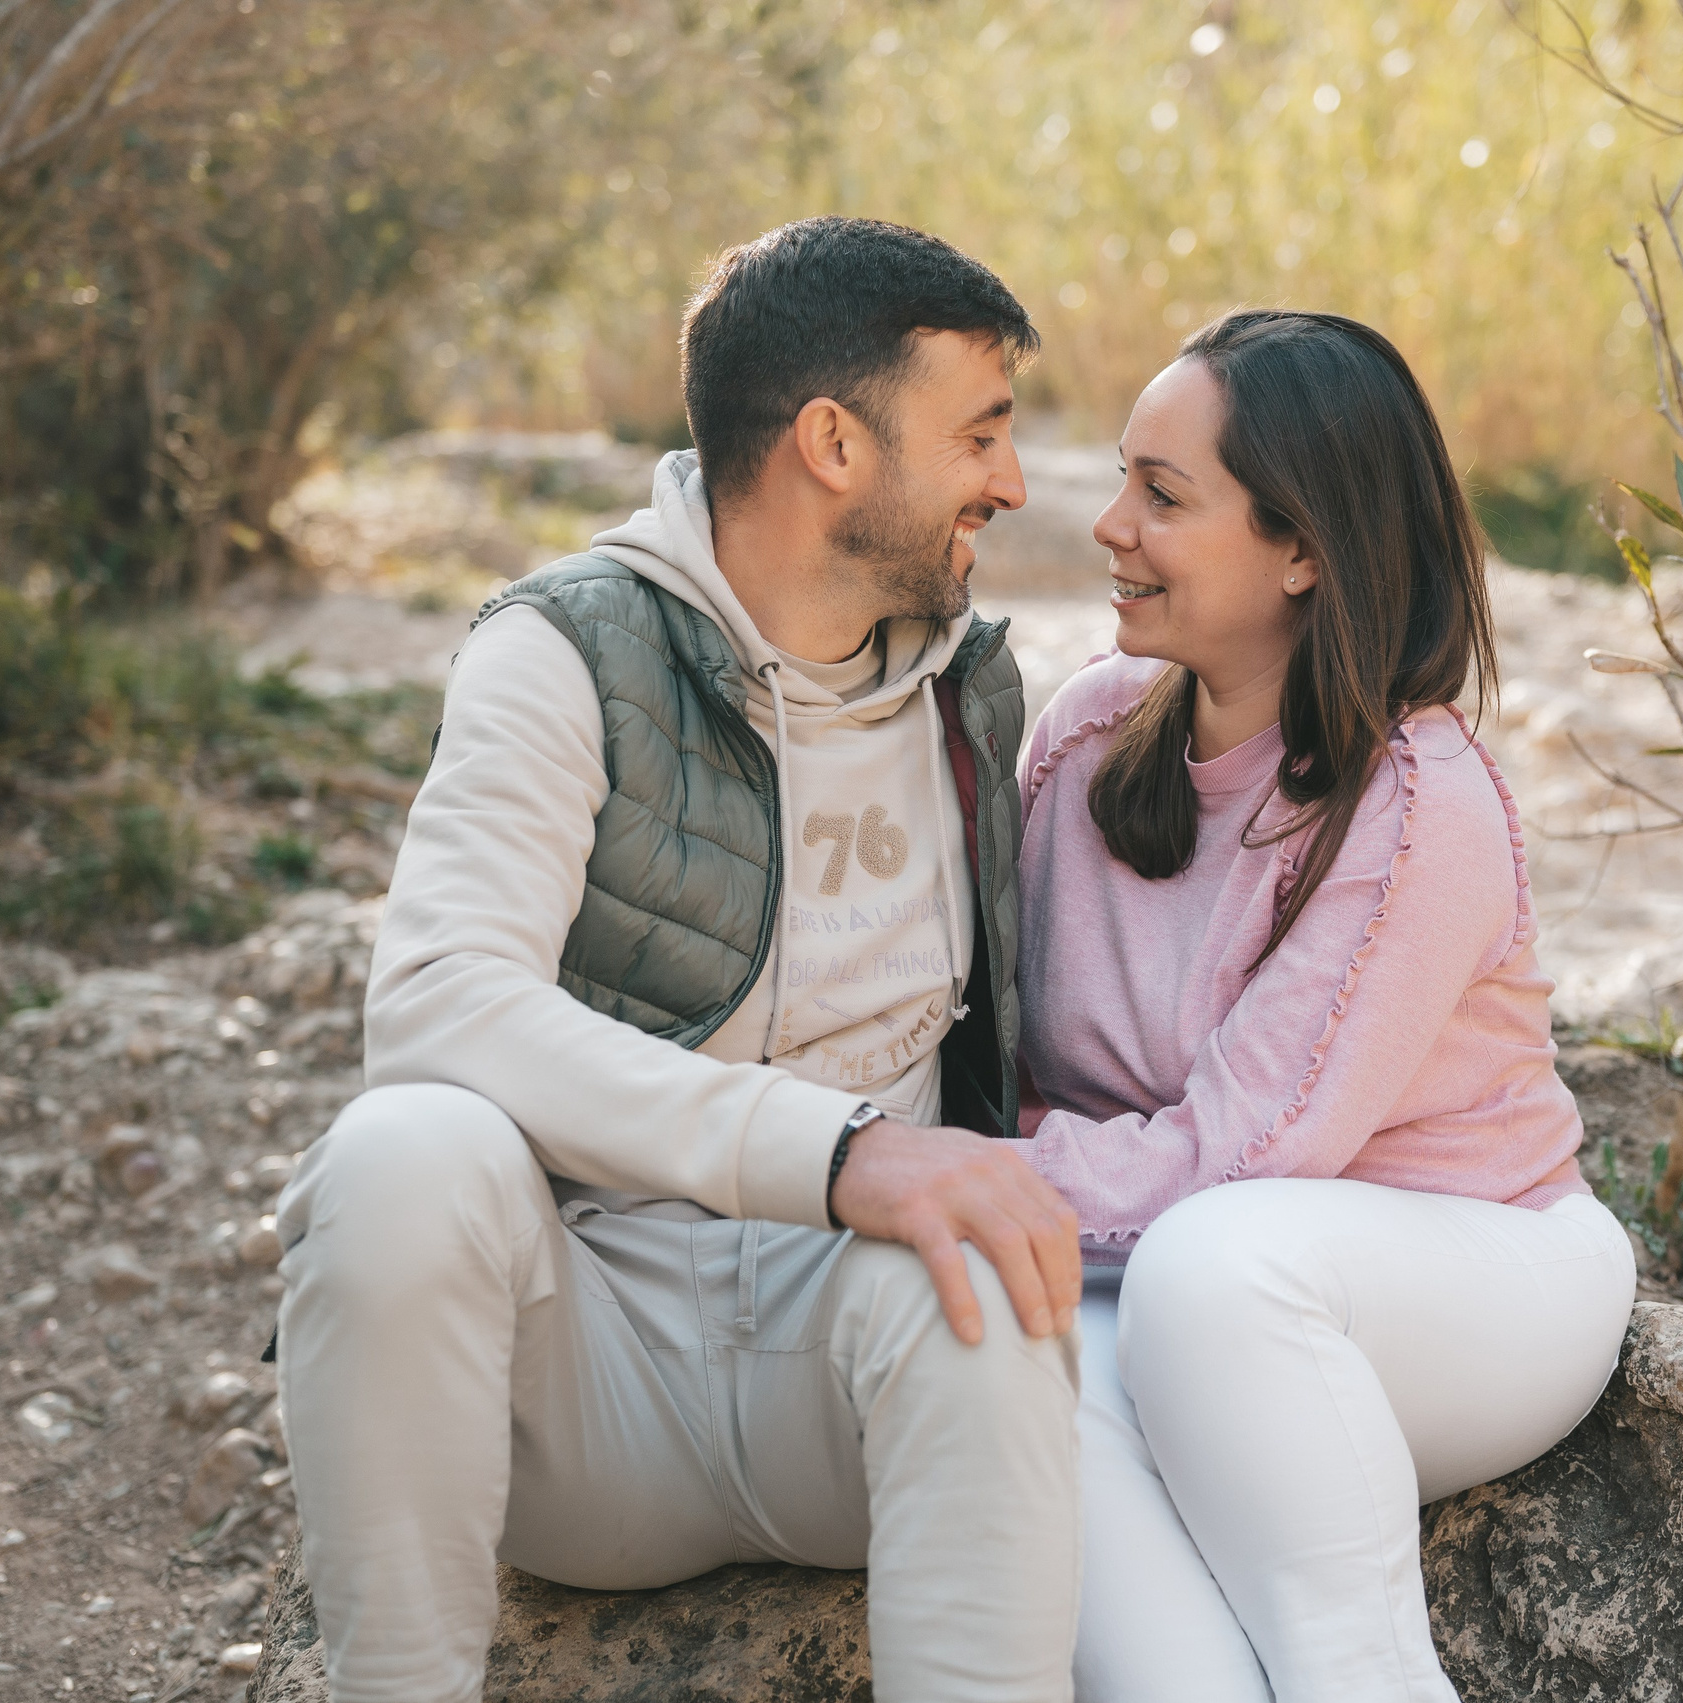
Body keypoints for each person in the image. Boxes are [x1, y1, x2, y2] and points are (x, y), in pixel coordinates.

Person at [274, 217, 1086, 1703]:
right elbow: (439, 1007)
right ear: (833, 444)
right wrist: (840, 1153)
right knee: (399, 1158)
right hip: (585, 1384)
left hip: (855, 1382)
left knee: (982, 1272)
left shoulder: (971, 687)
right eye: (979, 434)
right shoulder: (563, 651)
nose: (1013, 484)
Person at [1015, 309, 1637, 1702]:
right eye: (1122, 481)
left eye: (1163, 496)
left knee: (1214, 1271)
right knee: (1012, 1367)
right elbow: (1013, 1066)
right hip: (1152, 1269)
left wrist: (959, 1180)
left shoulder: (1419, 804)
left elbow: (1247, 1157)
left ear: (1302, 549)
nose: (1111, 526)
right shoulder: (1086, 737)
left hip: (1469, 1274)